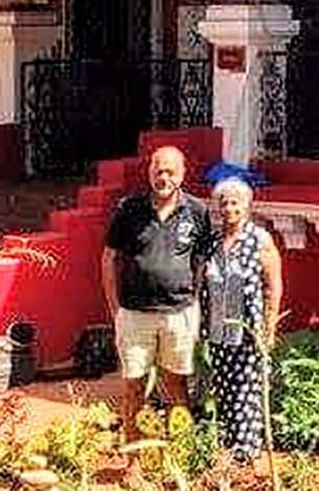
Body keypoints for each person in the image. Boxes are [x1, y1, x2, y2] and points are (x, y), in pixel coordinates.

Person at [102, 146, 214, 439]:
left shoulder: (197, 212)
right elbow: (109, 257)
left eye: (170, 171)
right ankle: (133, 459)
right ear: (150, 173)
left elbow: (201, 259)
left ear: (182, 174)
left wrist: (194, 300)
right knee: (134, 385)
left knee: (177, 384)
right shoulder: (130, 209)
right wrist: (115, 307)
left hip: (179, 313)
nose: (163, 177)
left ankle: (181, 450)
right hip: (135, 314)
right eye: (158, 171)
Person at [201, 176, 283, 463]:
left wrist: (268, 328)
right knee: (223, 387)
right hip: (218, 331)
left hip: (249, 331)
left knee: (246, 389)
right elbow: (202, 284)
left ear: (247, 206)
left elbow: (274, 285)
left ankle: (247, 452)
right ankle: (227, 448)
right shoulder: (213, 242)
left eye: (235, 203)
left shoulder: (259, 239)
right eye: (224, 203)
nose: (229, 208)